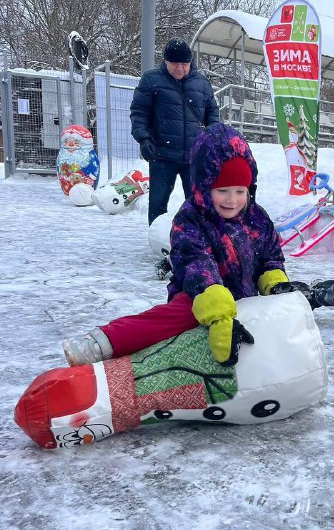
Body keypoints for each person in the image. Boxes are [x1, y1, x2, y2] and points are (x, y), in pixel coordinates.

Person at [62, 123, 310, 367]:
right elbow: (197, 265)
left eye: (240, 191)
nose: (232, 200)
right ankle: (102, 342)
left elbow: (271, 258)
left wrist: (275, 284)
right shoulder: (190, 219)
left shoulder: (257, 218)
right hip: (199, 296)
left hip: (244, 300)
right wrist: (218, 313)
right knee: (177, 316)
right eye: (222, 190)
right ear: (204, 186)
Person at [130, 37, 220, 226]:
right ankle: (156, 238)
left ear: (190, 62)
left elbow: (212, 111)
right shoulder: (151, 80)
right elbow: (139, 112)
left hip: (194, 155)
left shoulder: (202, 83)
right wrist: (143, 138)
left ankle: (198, 242)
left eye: (184, 64)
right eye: (174, 64)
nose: (180, 69)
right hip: (162, 154)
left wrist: (212, 137)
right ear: (165, 61)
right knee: (158, 203)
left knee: (198, 203)